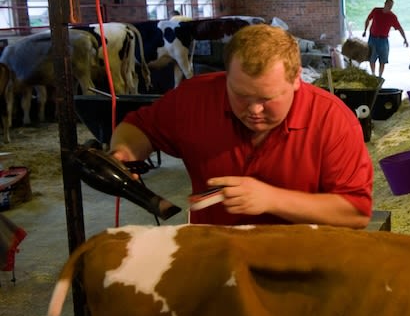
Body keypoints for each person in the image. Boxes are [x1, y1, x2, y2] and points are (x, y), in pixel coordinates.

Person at [109, 23, 373, 229]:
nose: (254, 110)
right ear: (226, 77)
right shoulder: (196, 98)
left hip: (301, 260)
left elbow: (356, 212)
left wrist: (272, 199)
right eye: (241, 95)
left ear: (296, 79)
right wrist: (123, 154)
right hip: (218, 256)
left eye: (267, 99)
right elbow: (140, 128)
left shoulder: (331, 120)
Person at [362, 0, 408, 77]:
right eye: (388, 5)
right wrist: (365, 31)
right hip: (373, 38)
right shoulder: (376, 11)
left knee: (383, 60)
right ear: (385, 4)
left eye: (391, 6)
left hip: (383, 40)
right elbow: (368, 19)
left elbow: (400, 28)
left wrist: (405, 39)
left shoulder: (392, 16)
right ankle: (373, 75)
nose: (389, 7)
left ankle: (380, 76)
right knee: (371, 58)